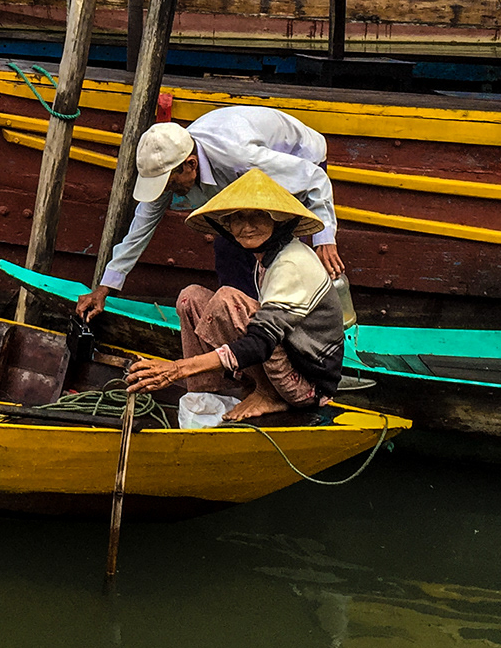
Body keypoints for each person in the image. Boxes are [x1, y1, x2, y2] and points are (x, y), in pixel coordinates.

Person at [74, 106, 340, 320]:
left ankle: (293, 323)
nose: (172, 193)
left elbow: (313, 178)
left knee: (281, 249)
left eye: (172, 185)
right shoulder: (175, 165)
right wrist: (105, 287)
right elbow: (141, 226)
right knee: (228, 246)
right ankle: (244, 325)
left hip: (298, 159)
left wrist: (325, 238)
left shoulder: (240, 158)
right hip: (237, 176)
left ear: (190, 165)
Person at [123, 168, 347, 420]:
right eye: (237, 218)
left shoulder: (291, 263)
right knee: (191, 298)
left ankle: (269, 393)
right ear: (227, 226)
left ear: (278, 220)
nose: (247, 227)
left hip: (308, 387)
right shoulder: (265, 260)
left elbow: (260, 343)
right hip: (284, 363)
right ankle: (204, 396)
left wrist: (177, 369)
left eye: (258, 217)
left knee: (228, 300)